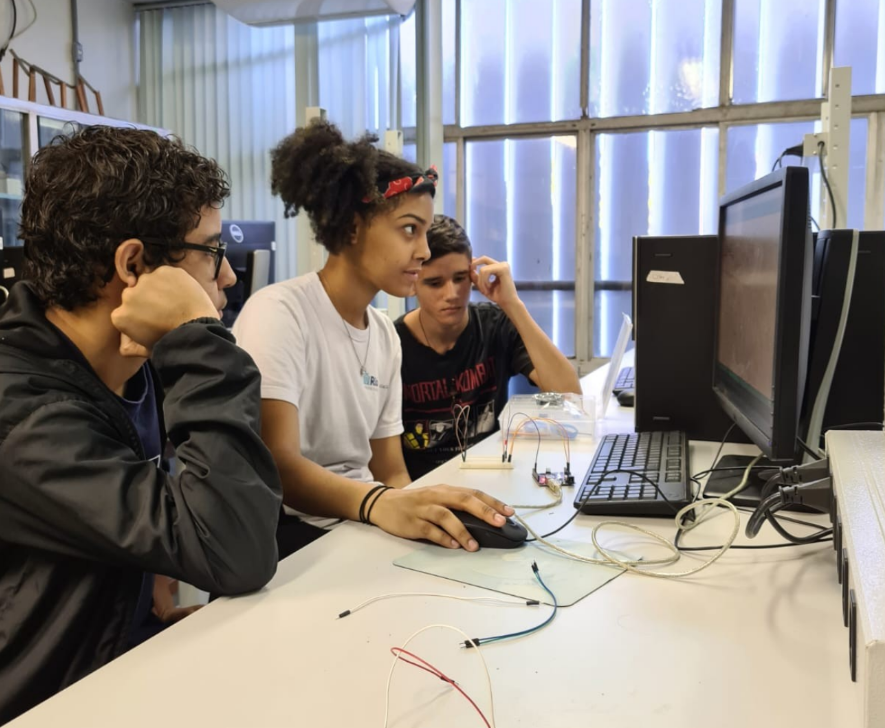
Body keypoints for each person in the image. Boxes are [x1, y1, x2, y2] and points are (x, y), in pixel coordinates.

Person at [0, 126, 283, 724]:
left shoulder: (133, 363)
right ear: (133, 263)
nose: (228, 277)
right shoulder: (20, 413)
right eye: (211, 252)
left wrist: (146, 628)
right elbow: (234, 549)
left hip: (111, 675)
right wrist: (198, 341)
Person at [233, 119, 513, 559]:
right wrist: (380, 504)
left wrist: (429, 518)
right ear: (352, 227)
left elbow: (390, 471)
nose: (423, 250)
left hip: (358, 528)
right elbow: (278, 466)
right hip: (290, 543)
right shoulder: (280, 313)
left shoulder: (383, 332)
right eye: (409, 229)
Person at [396, 214, 582, 480]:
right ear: (414, 283)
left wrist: (512, 305)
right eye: (435, 283)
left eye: (460, 278)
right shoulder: (393, 344)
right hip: (425, 489)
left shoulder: (495, 325)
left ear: (473, 276)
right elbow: (388, 466)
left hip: (490, 478)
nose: (451, 293)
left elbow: (570, 394)